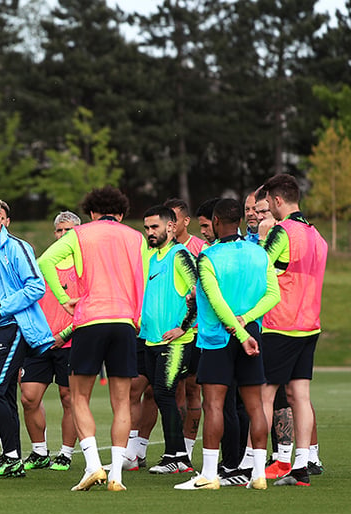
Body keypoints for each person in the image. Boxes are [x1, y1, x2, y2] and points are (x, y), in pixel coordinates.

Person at [37, 186, 147, 492]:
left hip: (89, 321)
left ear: (91, 213)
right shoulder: (135, 237)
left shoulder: (81, 234)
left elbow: (45, 261)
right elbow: (142, 280)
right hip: (124, 321)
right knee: (122, 401)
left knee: (79, 396)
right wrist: (135, 316)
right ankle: (117, 476)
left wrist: (64, 299)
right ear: (121, 213)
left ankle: (93, 465)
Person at [175, 198, 279, 490]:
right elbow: (273, 296)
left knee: (215, 405)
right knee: (255, 405)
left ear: (217, 222)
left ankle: (209, 475)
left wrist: (237, 329)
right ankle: (258, 474)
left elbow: (217, 301)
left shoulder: (208, 257)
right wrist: (246, 322)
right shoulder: (259, 254)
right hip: (251, 336)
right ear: (241, 221)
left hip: (218, 338)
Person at [0, 195, 53, 478]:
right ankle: (12, 458)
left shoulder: (17, 248)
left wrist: (1, 307)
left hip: (14, 325)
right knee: (3, 393)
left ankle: (12, 457)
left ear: (0, 217)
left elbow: (37, 286)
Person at [257, 174, 328, 486]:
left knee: (264, 393)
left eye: (268, 202)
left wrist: (262, 238)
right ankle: (301, 465)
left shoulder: (282, 231)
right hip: (309, 323)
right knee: (300, 394)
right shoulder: (317, 236)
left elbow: (259, 267)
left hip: (280, 323)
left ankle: (254, 464)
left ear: (277, 200)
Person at [19, 212, 80, 472]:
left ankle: (65, 454)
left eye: (68, 231)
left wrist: (63, 335)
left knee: (69, 398)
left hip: (70, 342)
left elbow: (87, 308)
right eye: (59, 231)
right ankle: (39, 451)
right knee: (29, 398)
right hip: (40, 342)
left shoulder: (84, 267)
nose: (62, 235)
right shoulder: (41, 264)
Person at [140, 206, 199, 474]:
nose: (150, 232)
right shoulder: (153, 258)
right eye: (147, 228)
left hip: (176, 342)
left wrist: (182, 327)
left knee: (165, 394)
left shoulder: (180, 255)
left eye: (155, 227)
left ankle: (177, 456)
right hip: (151, 341)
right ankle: (176, 456)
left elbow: (200, 294)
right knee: (161, 395)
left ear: (171, 227)